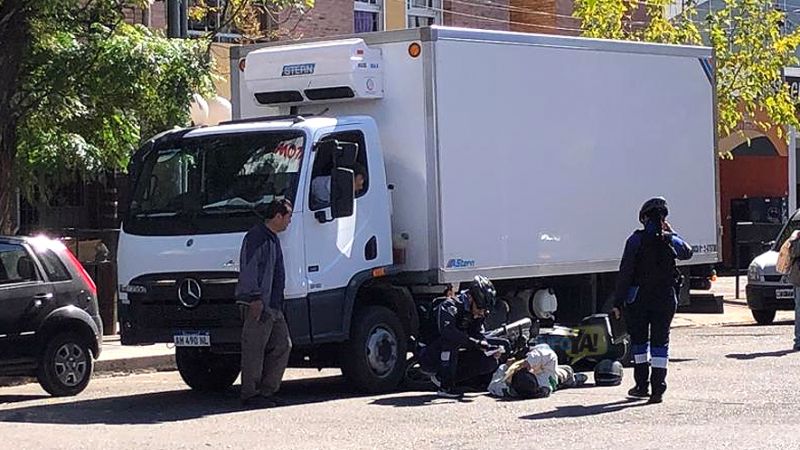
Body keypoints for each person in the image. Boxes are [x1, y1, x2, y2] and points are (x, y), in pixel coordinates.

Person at [611, 197, 693, 404]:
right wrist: (672, 233)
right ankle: (658, 389)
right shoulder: (670, 240)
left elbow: (625, 273)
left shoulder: (635, 240)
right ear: (663, 219)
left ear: (644, 218)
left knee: (639, 341)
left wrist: (618, 302)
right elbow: (687, 252)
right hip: (665, 298)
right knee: (660, 342)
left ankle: (641, 386)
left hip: (639, 298)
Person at [235, 198, 294, 408]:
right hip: (258, 304)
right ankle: (250, 394)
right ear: (278, 216)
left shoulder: (273, 238)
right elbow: (249, 268)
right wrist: (254, 298)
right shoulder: (256, 237)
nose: (289, 222)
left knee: (283, 345)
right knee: (254, 348)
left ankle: (267, 391)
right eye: (288, 217)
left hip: (274, 305)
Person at [419, 275, 502, 398]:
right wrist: (475, 343)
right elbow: (448, 332)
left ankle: (455, 380)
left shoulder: (478, 314)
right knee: (452, 339)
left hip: (453, 354)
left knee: (490, 361)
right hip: (429, 354)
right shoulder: (449, 306)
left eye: (485, 310)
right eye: (480, 308)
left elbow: (476, 334)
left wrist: (487, 347)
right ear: (470, 298)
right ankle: (445, 386)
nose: (481, 313)